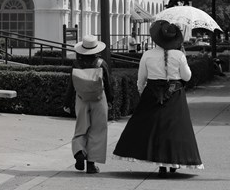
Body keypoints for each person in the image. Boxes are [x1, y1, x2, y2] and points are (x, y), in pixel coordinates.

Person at [113, 20, 203, 177]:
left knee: (153, 130)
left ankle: (161, 164)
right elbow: (187, 77)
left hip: (152, 93)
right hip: (175, 93)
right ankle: (173, 161)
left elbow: (141, 78)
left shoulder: (148, 55)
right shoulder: (179, 55)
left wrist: (142, 92)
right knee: (175, 129)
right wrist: (182, 57)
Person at [63, 35, 113, 174]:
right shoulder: (101, 63)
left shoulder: (76, 64)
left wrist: (67, 102)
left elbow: (71, 85)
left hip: (81, 98)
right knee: (98, 131)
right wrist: (110, 100)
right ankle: (91, 164)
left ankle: (79, 151)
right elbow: (108, 84)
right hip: (98, 99)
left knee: (81, 128)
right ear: (96, 49)